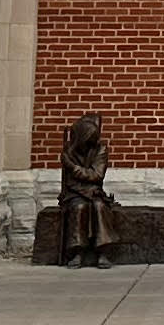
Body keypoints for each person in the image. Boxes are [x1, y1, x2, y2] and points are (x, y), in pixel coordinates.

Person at [57, 112, 126, 267]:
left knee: (99, 207)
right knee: (79, 208)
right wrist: (80, 183)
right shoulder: (69, 151)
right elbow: (70, 182)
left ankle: (103, 251)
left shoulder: (101, 150)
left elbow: (96, 175)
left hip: (94, 192)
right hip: (75, 193)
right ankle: (77, 252)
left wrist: (73, 167)